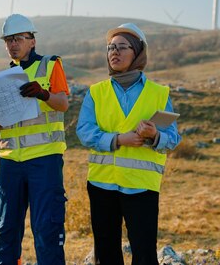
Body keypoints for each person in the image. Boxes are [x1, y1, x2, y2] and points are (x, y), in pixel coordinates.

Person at [76, 23, 181, 265]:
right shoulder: (96, 92)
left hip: (142, 185)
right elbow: (84, 131)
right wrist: (118, 139)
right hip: (102, 184)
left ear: (137, 52)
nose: (114, 52)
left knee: (144, 254)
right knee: (106, 253)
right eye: (111, 47)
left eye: (122, 47)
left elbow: (173, 139)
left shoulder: (159, 93)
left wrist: (155, 134)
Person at [0, 13, 70, 265]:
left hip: (44, 161)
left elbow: (63, 104)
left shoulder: (50, 65)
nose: (13, 44)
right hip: (10, 163)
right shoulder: (4, 78)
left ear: (32, 41)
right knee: (7, 228)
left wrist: (43, 93)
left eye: (18, 38)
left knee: (46, 227)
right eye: (8, 40)